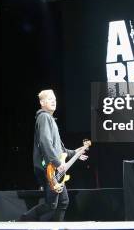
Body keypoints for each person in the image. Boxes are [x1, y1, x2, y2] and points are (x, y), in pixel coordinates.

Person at [19, 89, 88, 222]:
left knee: (62, 202)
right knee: (52, 204)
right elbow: (45, 142)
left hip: (55, 167)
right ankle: (22, 220)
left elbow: (59, 149)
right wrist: (57, 163)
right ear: (42, 102)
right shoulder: (44, 117)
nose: (53, 101)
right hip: (49, 168)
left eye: (55, 99)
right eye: (50, 99)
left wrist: (75, 153)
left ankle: (57, 226)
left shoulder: (50, 119)